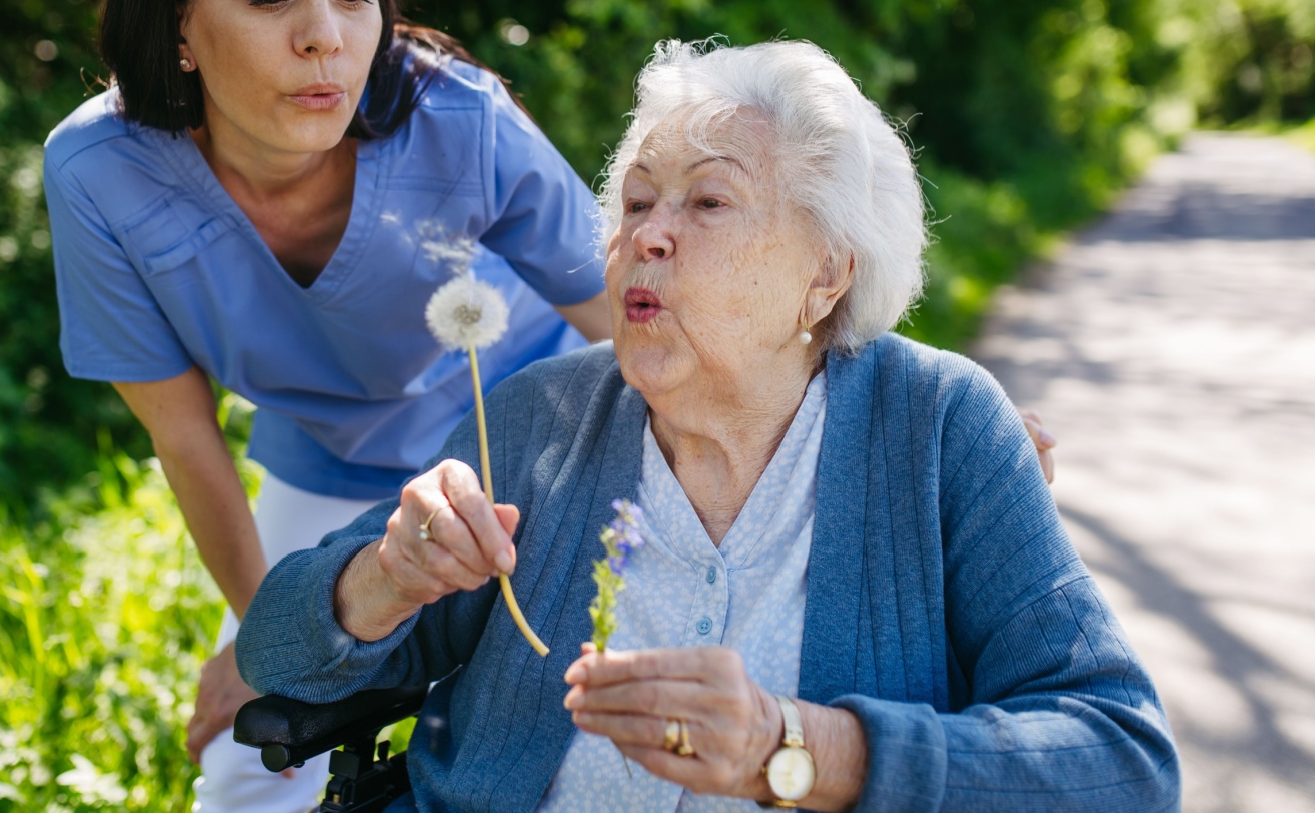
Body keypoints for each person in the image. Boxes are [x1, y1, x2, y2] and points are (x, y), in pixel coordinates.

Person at [239, 40, 1177, 812]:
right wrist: (383, 578)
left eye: (710, 202)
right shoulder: (536, 417)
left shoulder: (942, 428)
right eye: (638, 201)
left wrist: (801, 750)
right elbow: (272, 648)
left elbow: (1122, 759)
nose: (649, 233)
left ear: (827, 274)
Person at [41, 0, 613, 812]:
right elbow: (185, 434)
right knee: (244, 760)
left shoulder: (463, 120)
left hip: (527, 441)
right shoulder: (98, 173)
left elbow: (639, 330)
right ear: (179, 25)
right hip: (328, 465)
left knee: (533, 733)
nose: (325, 35)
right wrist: (272, 630)